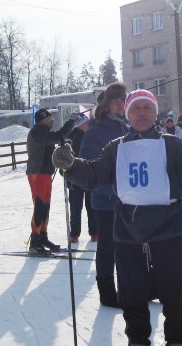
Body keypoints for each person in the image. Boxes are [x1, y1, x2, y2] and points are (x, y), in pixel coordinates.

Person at [53, 89, 182, 346]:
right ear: (128, 114)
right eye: (135, 108)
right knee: (131, 292)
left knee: (173, 291)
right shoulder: (116, 147)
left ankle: (176, 339)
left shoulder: (171, 143)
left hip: (168, 228)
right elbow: (94, 174)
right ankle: (138, 339)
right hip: (128, 230)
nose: (141, 113)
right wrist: (72, 165)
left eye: (146, 107)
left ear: (155, 112)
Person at [78, 82, 128, 308]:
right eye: (116, 100)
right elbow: (89, 168)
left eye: (123, 99)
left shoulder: (128, 128)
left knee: (132, 246)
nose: (121, 103)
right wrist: (110, 187)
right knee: (108, 247)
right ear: (107, 104)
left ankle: (137, 286)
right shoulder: (96, 130)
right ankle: (107, 291)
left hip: (130, 199)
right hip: (106, 200)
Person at [26, 108, 77, 252]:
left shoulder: (43, 132)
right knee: (40, 206)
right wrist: (71, 122)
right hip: (38, 173)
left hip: (45, 173)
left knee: (46, 206)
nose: (52, 120)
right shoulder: (37, 131)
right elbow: (56, 135)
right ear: (43, 118)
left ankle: (42, 236)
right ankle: (35, 241)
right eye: (50, 117)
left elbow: (56, 138)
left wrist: (63, 143)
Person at [67, 113, 97, 243]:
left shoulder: (92, 135)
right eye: (86, 122)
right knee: (75, 207)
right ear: (81, 124)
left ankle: (95, 232)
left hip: (90, 176)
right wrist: (66, 172)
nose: (88, 124)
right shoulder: (71, 136)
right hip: (74, 178)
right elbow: (63, 157)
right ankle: (74, 234)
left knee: (92, 206)